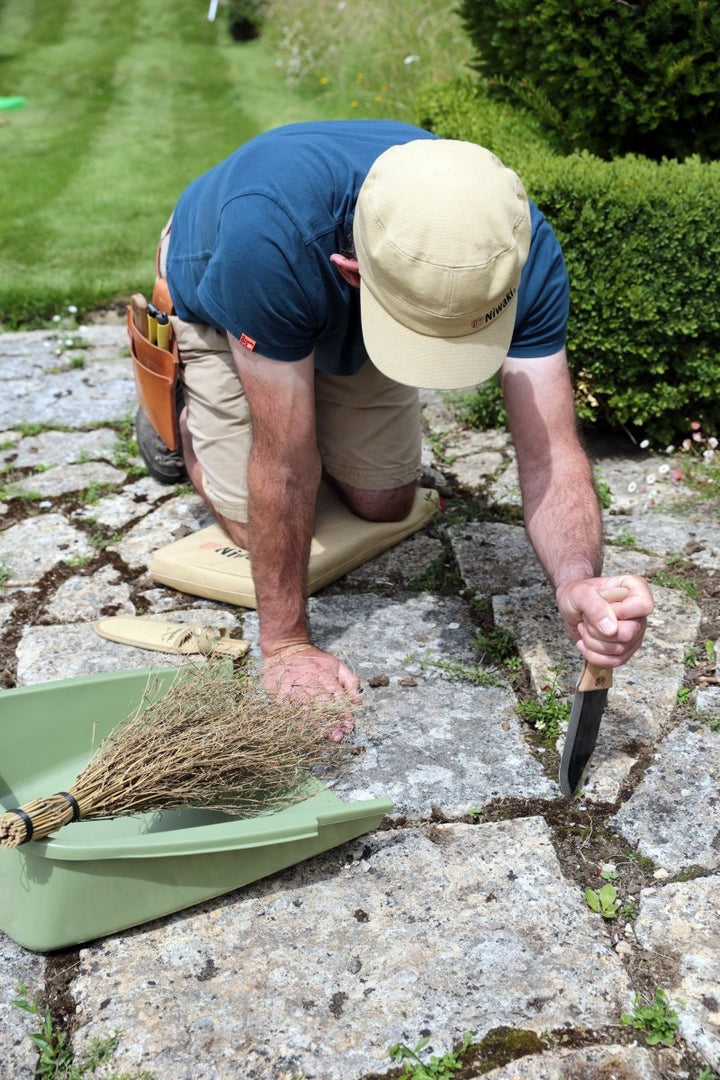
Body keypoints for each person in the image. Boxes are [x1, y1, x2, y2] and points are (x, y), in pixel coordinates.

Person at [136, 119, 654, 733]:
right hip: (222, 298)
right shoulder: (266, 239)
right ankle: (179, 411)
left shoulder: (506, 246)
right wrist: (287, 646)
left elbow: (552, 451)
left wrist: (575, 581)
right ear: (351, 271)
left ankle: (305, 383)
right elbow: (282, 462)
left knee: (384, 503)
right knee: (257, 525)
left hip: (362, 302)